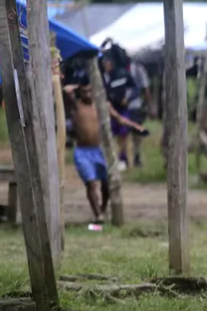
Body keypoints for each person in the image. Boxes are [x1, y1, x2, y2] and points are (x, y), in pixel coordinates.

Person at [64, 77, 144, 223]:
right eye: (85, 91)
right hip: (83, 151)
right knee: (91, 182)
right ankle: (98, 215)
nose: (88, 94)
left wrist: (135, 127)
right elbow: (66, 89)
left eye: (90, 91)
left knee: (106, 183)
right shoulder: (76, 105)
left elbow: (119, 118)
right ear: (80, 92)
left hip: (100, 151)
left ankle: (103, 208)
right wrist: (78, 87)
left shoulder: (102, 105)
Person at [101, 53, 137, 171]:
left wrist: (128, 98)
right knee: (110, 135)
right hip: (110, 110)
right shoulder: (104, 77)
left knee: (123, 135)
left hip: (122, 110)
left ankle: (123, 158)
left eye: (107, 62)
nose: (105, 64)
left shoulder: (123, 74)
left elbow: (135, 88)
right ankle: (112, 159)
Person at [127, 60, 151, 167]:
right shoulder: (117, 68)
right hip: (121, 106)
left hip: (135, 105)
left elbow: (145, 88)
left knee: (136, 132)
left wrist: (146, 104)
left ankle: (136, 154)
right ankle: (123, 157)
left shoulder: (137, 69)